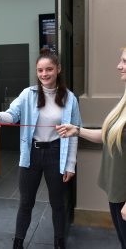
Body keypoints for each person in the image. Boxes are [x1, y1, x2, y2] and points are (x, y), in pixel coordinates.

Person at [0, 48, 82, 249]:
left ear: (58, 69)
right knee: (26, 202)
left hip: (57, 154)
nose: (44, 74)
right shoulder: (27, 94)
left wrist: (71, 165)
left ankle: (59, 242)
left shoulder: (69, 98)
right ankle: (18, 242)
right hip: (31, 154)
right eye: (40, 70)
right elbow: (12, 115)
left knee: (57, 203)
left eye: (49, 69)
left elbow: (75, 133)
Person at [56, 47, 126, 249]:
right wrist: (76, 130)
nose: (118, 66)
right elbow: (107, 135)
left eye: (124, 61)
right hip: (117, 190)